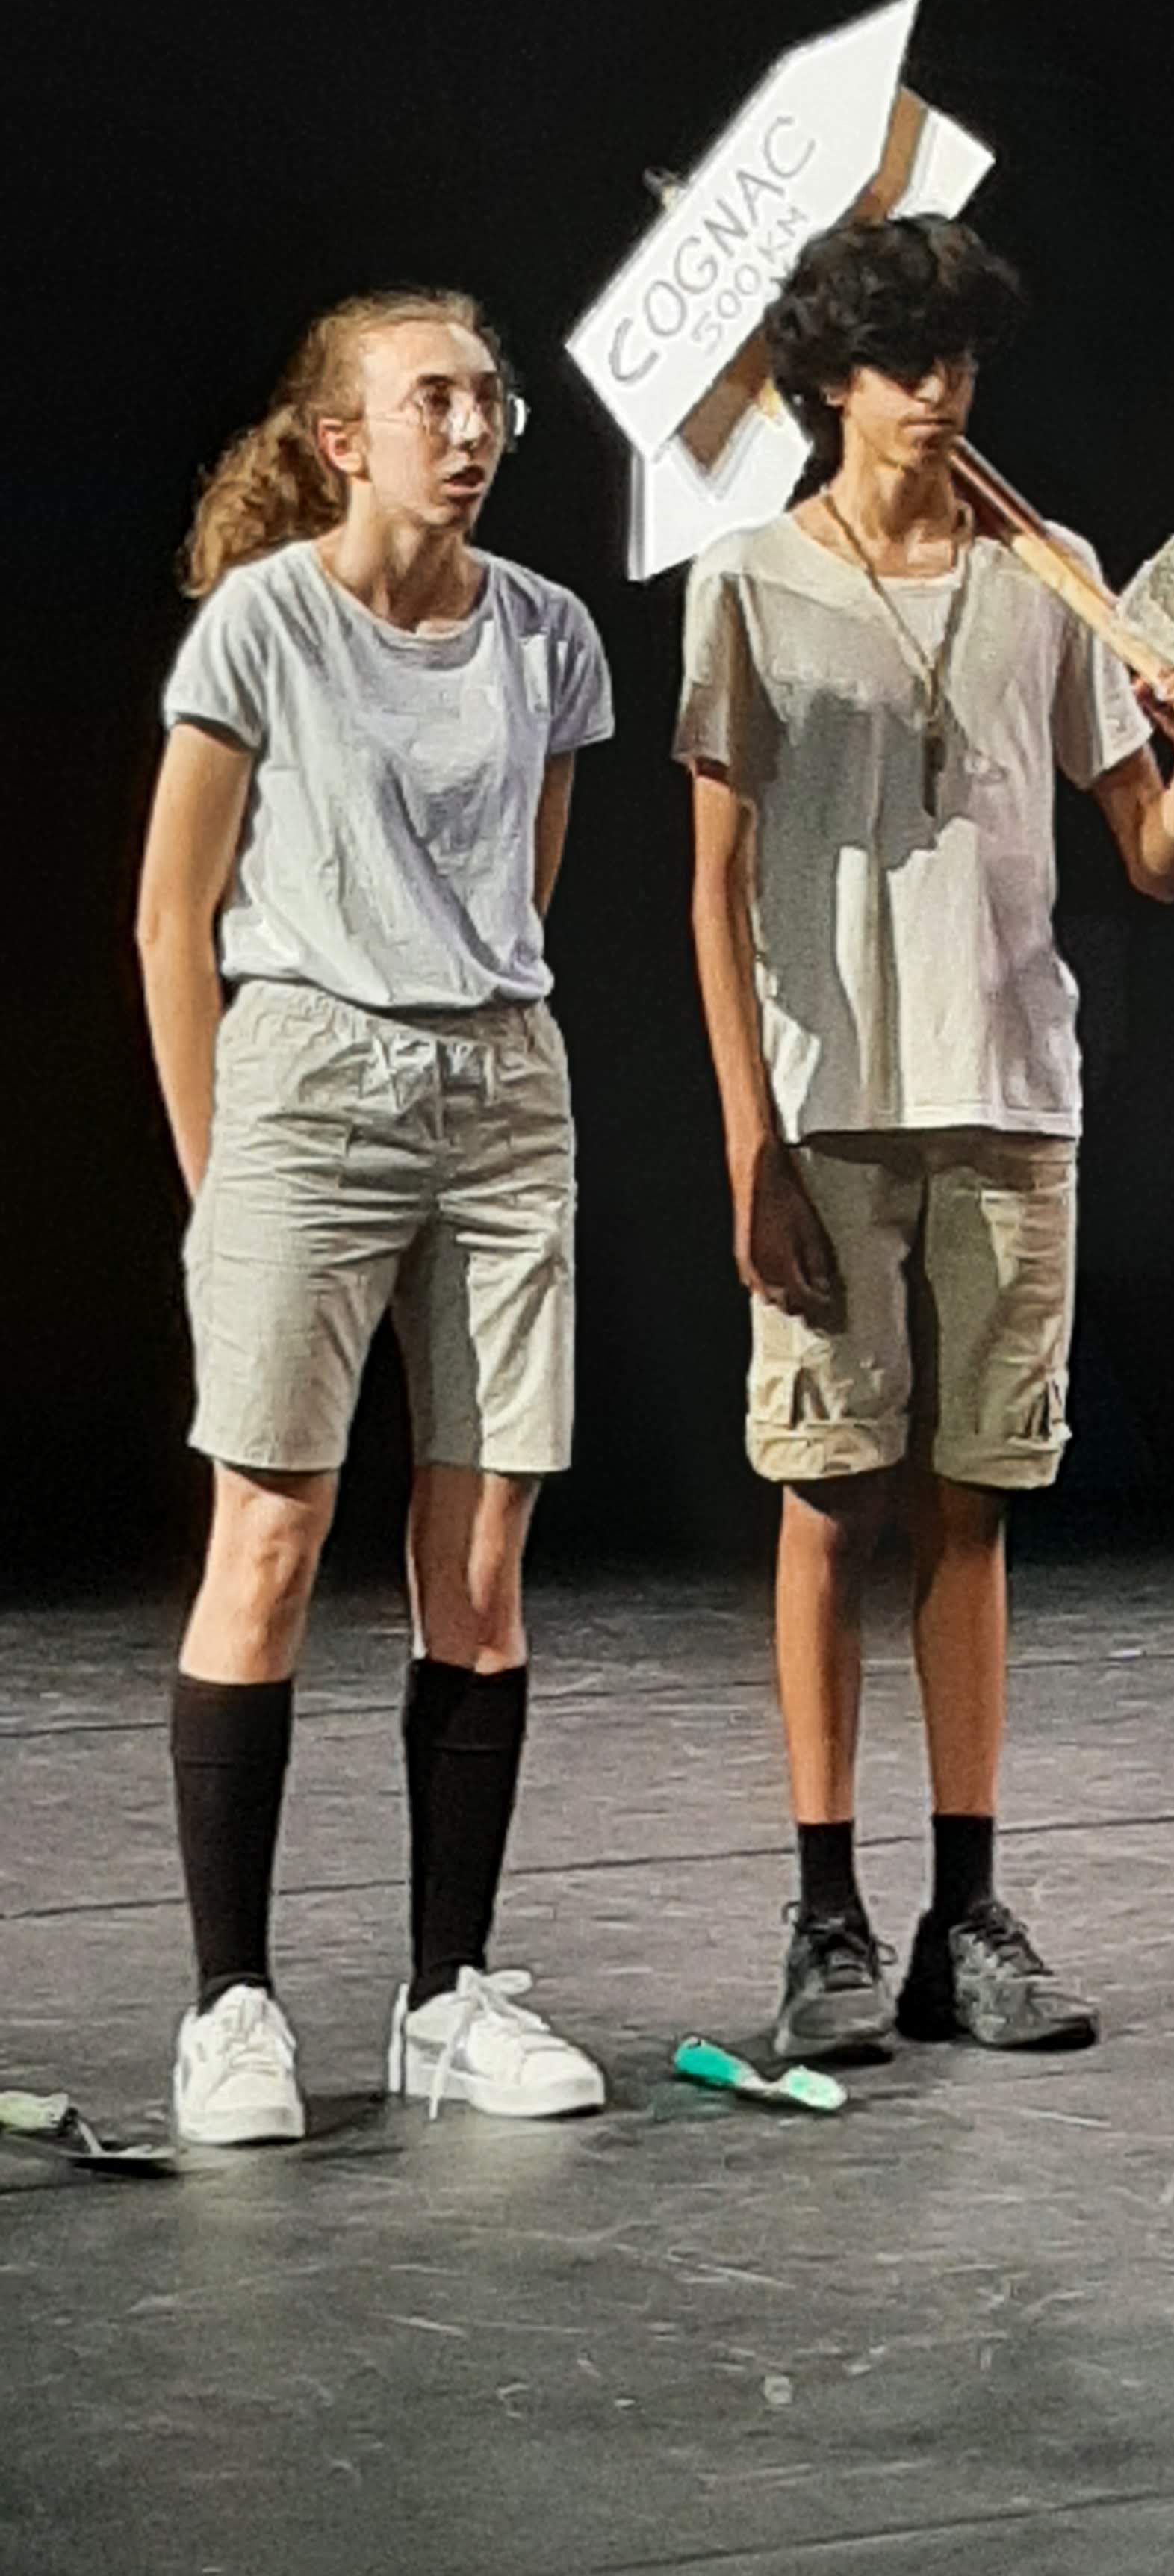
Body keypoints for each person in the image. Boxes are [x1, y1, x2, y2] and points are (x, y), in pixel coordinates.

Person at [678, 215, 1174, 2061]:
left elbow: (1150, 855)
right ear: (830, 382)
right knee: (828, 1493)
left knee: (974, 1504)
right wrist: (749, 1138)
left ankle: (964, 1912)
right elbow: (712, 882)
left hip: (1010, 1092)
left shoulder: (1049, 573)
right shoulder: (751, 581)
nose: (938, 391)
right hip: (831, 1103)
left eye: (960, 360)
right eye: (904, 360)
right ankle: (824, 1912)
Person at [136, 291, 614, 2144]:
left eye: (490, 400)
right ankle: (230, 2004)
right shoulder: (264, 622)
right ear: (343, 438)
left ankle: (446, 1995)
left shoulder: (549, 634)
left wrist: (475, 1018)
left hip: (498, 1086)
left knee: (479, 1555)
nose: (472, 429)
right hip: (307, 1077)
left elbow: (520, 889)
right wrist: (218, 1175)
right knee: (268, 1533)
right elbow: (173, 917)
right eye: (434, 401)